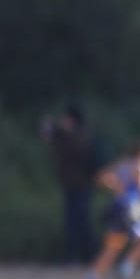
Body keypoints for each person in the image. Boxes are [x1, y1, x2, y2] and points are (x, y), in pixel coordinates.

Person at [85, 137, 140, 279]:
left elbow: (102, 178)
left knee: (118, 245)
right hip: (128, 211)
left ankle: (96, 276)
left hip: (118, 209)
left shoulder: (123, 163)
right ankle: (121, 271)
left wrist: (118, 186)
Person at [41, 104, 101, 265]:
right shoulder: (67, 136)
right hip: (71, 185)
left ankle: (88, 255)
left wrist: (58, 132)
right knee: (72, 221)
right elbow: (51, 144)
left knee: (80, 221)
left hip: (82, 186)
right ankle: (76, 255)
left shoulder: (81, 136)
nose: (62, 121)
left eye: (65, 118)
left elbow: (73, 150)